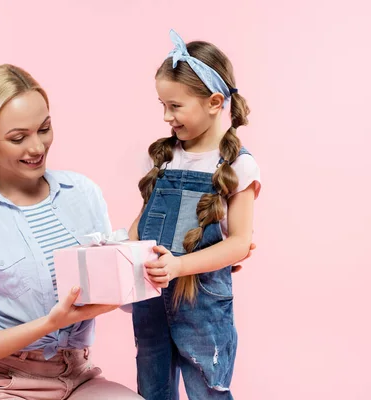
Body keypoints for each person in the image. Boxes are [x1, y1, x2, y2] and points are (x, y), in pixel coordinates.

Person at [0, 64, 142, 399]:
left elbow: (121, 296)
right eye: (18, 138)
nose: (37, 147)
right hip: (4, 383)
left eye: (44, 129)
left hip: (78, 376)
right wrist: (49, 323)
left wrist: (154, 269)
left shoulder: (82, 193)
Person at [128, 30, 262, 399]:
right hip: (152, 297)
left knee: (209, 390)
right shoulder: (162, 157)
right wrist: (122, 251)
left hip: (202, 302)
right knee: (152, 388)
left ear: (214, 102)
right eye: (162, 105)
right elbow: (142, 223)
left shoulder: (240, 166)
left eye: (175, 106)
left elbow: (238, 243)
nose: (167, 116)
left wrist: (180, 266)